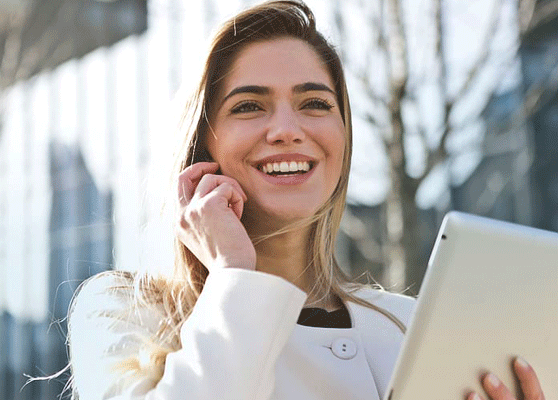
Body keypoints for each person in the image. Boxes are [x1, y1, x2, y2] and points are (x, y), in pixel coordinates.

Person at [67, 1, 546, 399]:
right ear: (203, 145)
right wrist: (234, 274)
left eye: (315, 103)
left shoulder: (412, 328)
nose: (287, 131)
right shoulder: (121, 312)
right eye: (249, 106)